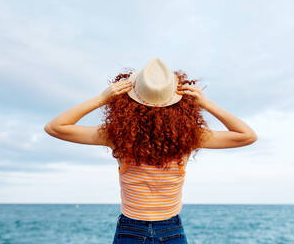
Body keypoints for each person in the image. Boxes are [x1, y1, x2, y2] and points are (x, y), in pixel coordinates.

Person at [44, 57, 257, 243]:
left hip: (131, 229)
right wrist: (206, 103)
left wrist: (102, 98)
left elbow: (55, 127)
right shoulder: (191, 137)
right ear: (179, 102)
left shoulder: (116, 136)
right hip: (171, 229)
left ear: (129, 101)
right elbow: (247, 136)